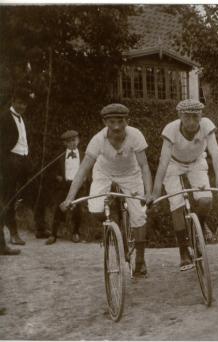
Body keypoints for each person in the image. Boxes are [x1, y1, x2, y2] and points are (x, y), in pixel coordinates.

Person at [60, 103, 153, 277]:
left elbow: (144, 166)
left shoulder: (135, 135)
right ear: (104, 122)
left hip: (130, 175)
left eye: (121, 121)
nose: (116, 126)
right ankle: (115, 229)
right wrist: (69, 198)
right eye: (111, 122)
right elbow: (83, 170)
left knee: (139, 216)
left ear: (127, 120)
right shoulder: (98, 140)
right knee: (95, 209)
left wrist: (148, 193)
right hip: (104, 173)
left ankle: (140, 260)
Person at [150, 99, 218, 271]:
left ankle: (198, 226)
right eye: (187, 117)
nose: (191, 122)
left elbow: (216, 154)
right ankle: (183, 252)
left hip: (196, 162)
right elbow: (163, 161)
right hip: (173, 164)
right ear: (179, 116)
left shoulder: (206, 125)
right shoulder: (171, 129)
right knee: (177, 204)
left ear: (201, 116)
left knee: (206, 200)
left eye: (195, 117)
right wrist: (154, 192)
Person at [0, 86, 50, 254]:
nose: (22, 106)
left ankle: (40, 228)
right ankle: (13, 234)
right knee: (9, 198)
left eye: (24, 104)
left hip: (24, 160)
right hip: (10, 161)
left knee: (38, 190)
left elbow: (24, 139)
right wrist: (4, 163)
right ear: (13, 101)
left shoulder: (23, 119)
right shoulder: (4, 118)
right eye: (19, 103)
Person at [45, 130, 87, 245]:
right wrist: (58, 177)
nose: (72, 143)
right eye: (69, 141)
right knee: (59, 208)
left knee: (77, 210)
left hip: (78, 186)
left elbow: (90, 168)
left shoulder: (84, 155)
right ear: (65, 143)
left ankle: (75, 232)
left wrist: (85, 177)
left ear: (78, 140)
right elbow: (52, 171)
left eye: (74, 140)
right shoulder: (60, 156)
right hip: (64, 185)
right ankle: (53, 234)